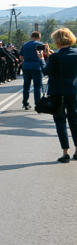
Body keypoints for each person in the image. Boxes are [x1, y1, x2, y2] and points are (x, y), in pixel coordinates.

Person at [42, 28, 77, 163]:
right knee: (74, 121)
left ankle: (65, 152)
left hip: (57, 92)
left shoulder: (55, 57)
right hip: (73, 91)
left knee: (60, 122)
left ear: (57, 41)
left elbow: (46, 71)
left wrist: (42, 59)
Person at [20, 31, 48, 110]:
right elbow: (46, 54)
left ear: (31, 36)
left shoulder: (24, 45)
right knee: (37, 86)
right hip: (36, 67)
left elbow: (21, 57)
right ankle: (37, 103)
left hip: (26, 67)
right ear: (39, 37)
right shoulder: (41, 45)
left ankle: (25, 103)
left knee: (26, 86)